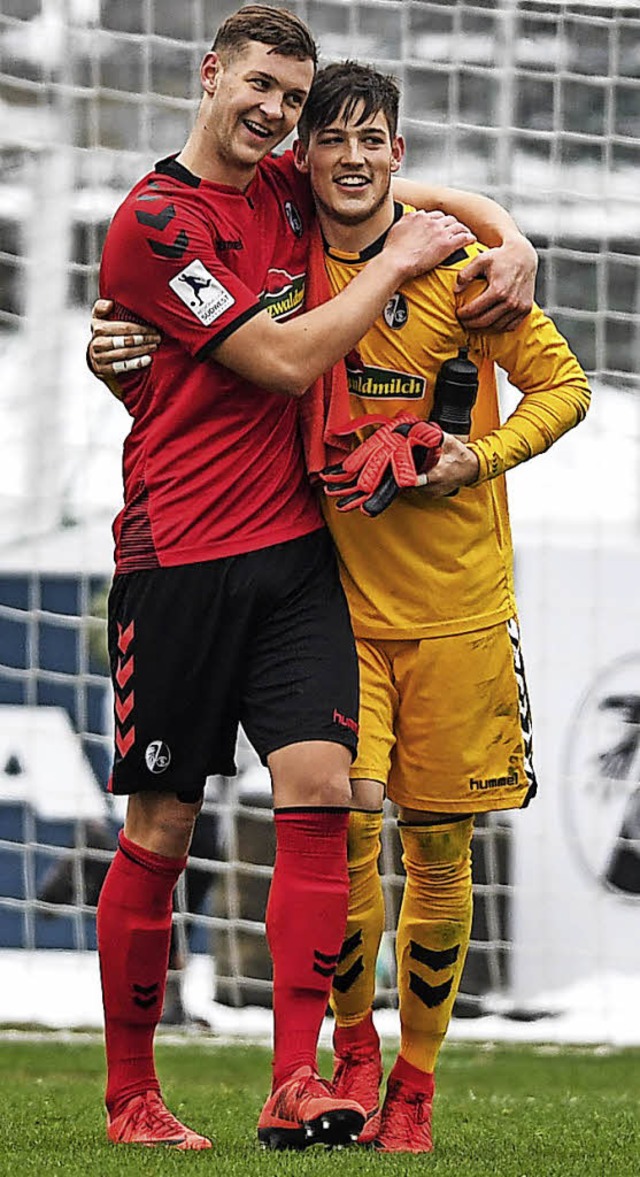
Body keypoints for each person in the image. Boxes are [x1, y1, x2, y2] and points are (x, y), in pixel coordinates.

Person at [87, 4, 539, 1154]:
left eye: (291, 99)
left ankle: (301, 1076)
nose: (278, 115)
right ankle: (131, 1094)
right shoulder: (152, 224)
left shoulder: (291, 190)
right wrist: (394, 261)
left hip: (295, 557)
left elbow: (401, 189)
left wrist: (507, 230)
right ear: (210, 75)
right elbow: (285, 359)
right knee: (165, 822)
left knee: (324, 798)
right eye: (261, 88)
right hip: (177, 556)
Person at [288, 61, 590, 1153]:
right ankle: (355, 1060)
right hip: (336, 613)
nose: (354, 157)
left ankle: (413, 1094)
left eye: (373, 139)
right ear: (304, 155)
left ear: (397, 154)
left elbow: (566, 388)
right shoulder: (283, 258)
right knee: (342, 832)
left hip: (459, 613)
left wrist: (475, 457)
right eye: (333, 138)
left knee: (438, 855)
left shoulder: (462, 272)